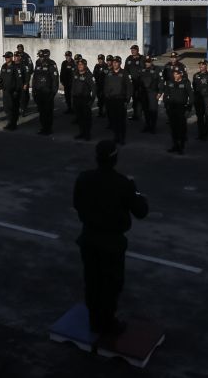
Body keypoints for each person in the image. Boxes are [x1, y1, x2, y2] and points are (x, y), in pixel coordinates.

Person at [73, 140, 149, 334]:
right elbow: (141, 211)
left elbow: (77, 204)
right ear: (115, 159)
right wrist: (136, 189)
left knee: (92, 281)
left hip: (89, 237)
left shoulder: (83, 178)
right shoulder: (124, 184)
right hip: (112, 242)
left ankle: (94, 319)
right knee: (111, 284)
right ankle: (107, 323)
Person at [163, 67, 193, 154]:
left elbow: (191, 96)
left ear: (181, 74)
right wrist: (166, 105)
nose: (175, 75)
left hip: (182, 108)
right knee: (173, 128)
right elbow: (166, 95)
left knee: (182, 128)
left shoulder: (186, 83)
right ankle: (175, 145)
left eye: (177, 74)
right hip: (172, 108)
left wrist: (189, 108)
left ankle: (181, 146)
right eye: (174, 74)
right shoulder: (170, 82)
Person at [104, 56, 132, 145]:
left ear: (120, 63)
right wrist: (106, 96)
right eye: (113, 62)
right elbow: (106, 85)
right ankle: (116, 137)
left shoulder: (124, 73)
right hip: (111, 100)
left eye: (116, 62)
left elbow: (129, 87)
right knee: (114, 120)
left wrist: (127, 99)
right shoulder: (109, 73)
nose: (114, 64)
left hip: (121, 100)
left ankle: (122, 138)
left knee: (121, 121)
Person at [32, 48, 59, 135]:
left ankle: (48, 129)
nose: (40, 58)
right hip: (39, 91)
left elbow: (55, 79)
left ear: (45, 56)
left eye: (42, 57)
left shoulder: (51, 64)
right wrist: (33, 90)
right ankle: (43, 127)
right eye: (39, 56)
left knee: (48, 111)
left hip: (48, 92)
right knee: (41, 111)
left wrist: (53, 92)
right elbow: (35, 77)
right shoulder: (37, 62)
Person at [192, 60, 208, 140]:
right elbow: (194, 87)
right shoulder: (196, 75)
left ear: (206, 66)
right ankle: (201, 134)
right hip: (198, 99)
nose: (201, 66)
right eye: (200, 65)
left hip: (207, 99)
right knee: (199, 117)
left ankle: (206, 133)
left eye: (203, 65)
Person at [72, 58, 96, 140]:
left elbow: (94, 89)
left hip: (85, 100)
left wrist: (92, 101)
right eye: (78, 65)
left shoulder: (89, 75)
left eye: (81, 65)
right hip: (77, 99)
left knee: (86, 118)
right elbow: (73, 86)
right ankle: (81, 133)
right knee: (80, 118)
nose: (79, 66)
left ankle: (87, 134)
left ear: (85, 66)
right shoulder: (76, 74)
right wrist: (73, 97)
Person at [0, 51, 23, 130]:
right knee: (7, 108)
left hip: (13, 91)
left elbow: (19, 80)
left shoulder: (15, 67)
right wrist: (0, 84)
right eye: (5, 57)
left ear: (11, 57)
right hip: (6, 91)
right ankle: (9, 122)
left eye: (7, 57)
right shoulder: (4, 66)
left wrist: (16, 90)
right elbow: (1, 77)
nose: (6, 59)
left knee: (13, 108)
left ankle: (13, 124)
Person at [140, 56, 164, 134]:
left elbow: (161, 82)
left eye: (149, 61)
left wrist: (160, 92)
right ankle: (147, 125)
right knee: (146, 110)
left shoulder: (157, 69)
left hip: (153, 93)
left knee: (153, 110)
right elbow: (139, 82)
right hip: (144, 93)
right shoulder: (142, 69)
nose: (147, 63)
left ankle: (153, 127)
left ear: (151, 62)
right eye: (146, 62)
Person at [125, 44, 145, 120]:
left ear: (137, 50)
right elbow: (126, 69)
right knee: (134, 98)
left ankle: (138, 114)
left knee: (139, 98)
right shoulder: (129, 58)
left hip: (140, 83)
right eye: (131, 50)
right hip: (131, 83)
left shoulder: (142, 58)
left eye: (134, 50)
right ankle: (135, 114)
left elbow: (144, 69)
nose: (132, 51)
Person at [15, 49, 32, 117]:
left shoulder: (24, 65)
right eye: (14, 56)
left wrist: (26, 83)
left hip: (22, 85)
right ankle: (17, 109)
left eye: (16, 56)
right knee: (16, 98)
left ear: (19, 57)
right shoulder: (13, 65)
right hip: (15, 85)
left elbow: (27, 75)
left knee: (23, 98)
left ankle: (23, 110)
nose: (15, 57)